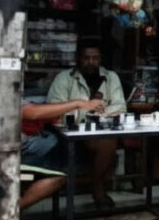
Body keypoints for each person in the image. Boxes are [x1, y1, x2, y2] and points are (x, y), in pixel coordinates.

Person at [0, 48, 106, 209]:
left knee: (54, 140)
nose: (24, 68)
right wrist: (79, 103)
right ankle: (11, 212)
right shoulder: (1, 89)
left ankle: (1, 210)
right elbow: (32, 113)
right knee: (62, 171)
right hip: (7, 155)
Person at [46, 37, 126, 210]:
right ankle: (98, 188)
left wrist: (96, 115)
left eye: (95, 58)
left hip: (100, 133)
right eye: (86, 58)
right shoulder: (64, 78)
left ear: (101, 58)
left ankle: (97, 186)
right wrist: (88, 111)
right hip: (70, 134)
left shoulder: (111, 77)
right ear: (77, 58)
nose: (91, 62)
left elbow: (120, 107)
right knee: (106, 140)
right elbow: (55, 109)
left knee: (108, 140)